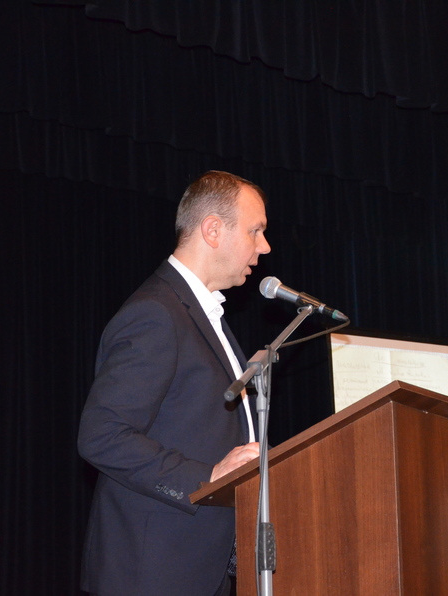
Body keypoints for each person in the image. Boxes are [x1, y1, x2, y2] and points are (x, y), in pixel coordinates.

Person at [77, 171, 270, 595]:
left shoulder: (202, 314)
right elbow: (101, 435)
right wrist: (208, 478)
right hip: (153, 573)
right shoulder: (156, 314)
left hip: (202, 568)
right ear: (213, 230)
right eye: (256, 231)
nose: (264, 246)